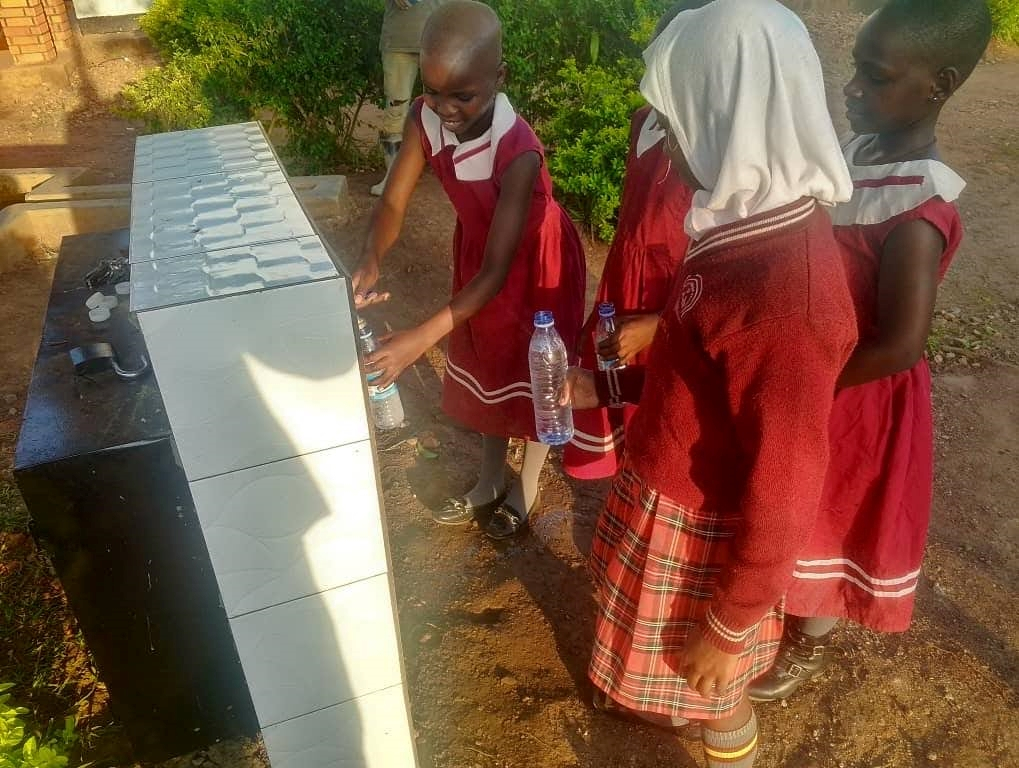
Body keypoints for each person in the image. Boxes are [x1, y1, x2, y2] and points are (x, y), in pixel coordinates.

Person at [560, 0, 856, 764]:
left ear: (726, 113)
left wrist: (731, 624)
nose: (672, 144)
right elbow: (699, 371)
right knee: (677, 681)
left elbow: (788, 478)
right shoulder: (739, 224)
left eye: (680, 115)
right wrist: (611, 392)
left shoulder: (788, 298)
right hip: (673, 491)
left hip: (707, 534)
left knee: (714, 695)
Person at [747, 0, 993, 702]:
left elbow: (901, 342)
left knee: (833, 506)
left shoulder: (918, 208)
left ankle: (808, 638)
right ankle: (775, 598)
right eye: (855, 70)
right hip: (820, 364)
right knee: (793, 494)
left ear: (938, 86)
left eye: (875, 77)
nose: (851, 89)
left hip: (857, 388)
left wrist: (811, 389)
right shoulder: (857, 154)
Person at [353, 0, 586, 541]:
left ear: (498, 78)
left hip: (533, 264)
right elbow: (392, 203)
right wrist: (370, 256)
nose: (445, 108)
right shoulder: (424, 117)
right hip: (480, 255)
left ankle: (524, 485)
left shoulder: (517, 150)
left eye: (463, 95)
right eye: (433, 90)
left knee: (531, 369)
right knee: (485, 357)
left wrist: (418, 341)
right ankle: (486, 481)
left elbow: (499, 272)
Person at [562, 0, 701, 481]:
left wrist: (660, 325)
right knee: (613, 390)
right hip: (624, 288)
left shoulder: (713, 150)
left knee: (661, 408)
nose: (657, 84)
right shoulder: (643, 121)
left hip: (676, 303)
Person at [372, 0, 449, 196]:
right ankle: (393, 178)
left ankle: (453, 177)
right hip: (400, 39)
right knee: (395, 110)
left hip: (442, 39)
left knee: (447, 108)